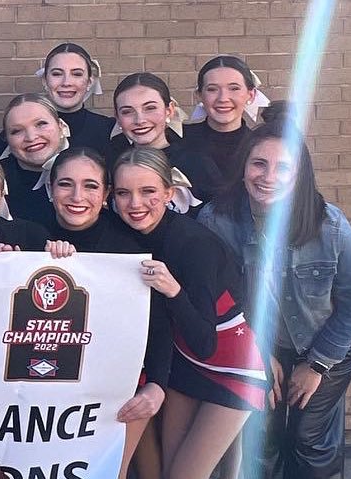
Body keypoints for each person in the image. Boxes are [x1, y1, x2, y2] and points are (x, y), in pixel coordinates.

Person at [197, 107, 351, 479]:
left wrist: (318, 365)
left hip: (329, 340)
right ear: (243, 166)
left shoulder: (331, 227)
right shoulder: (215, 222)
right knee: (260, 434)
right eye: (259, 164)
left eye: (283, 168)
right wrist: (257, 347)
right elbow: (216, 299)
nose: (268, 177)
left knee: (309, 437)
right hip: (256, 339)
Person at [111, 147, 267, 479]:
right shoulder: (122, 234)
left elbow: (205, 341)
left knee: (186, 475)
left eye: (148, 191)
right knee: (168, 470)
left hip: (228, 362)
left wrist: (174, 290)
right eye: (124, 193)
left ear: (169, 193)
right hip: (181, 360)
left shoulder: (195, 244)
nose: (135, 203)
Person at [46, 147, 167, 479]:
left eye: (90, 186)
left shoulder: (129, 247)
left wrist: (156, 384)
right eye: (65, 184)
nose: (76, 196)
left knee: (107, 471)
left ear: (106, 195)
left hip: (118, 387)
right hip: (49, 389)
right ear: (51, 189)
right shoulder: (31, 237)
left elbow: (157, 324)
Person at [112, 73, 224, 211]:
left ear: (169, 110)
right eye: (127, 111)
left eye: (150, 108)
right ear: (117, 117)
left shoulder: (197, 163)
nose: (139, 120)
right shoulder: (112, 162)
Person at [0, 43, 115, 158]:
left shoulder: (107, 129)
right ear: (45, 80)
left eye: (76, 74)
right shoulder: (20, 131)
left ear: (89, 82)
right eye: (57, 74)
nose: (66, 82)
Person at [185, 55, 270, 185]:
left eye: (234, 88)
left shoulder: (260, 146)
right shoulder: (177, 140)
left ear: (251, 95)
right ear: (199, 96)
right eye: (212, 89)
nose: (223, 98)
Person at [0, 93, 72, 227]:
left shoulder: (85, 171)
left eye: (41, 124)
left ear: (60, 126)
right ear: (7, 139)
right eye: (17, 131)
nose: (31, 137)